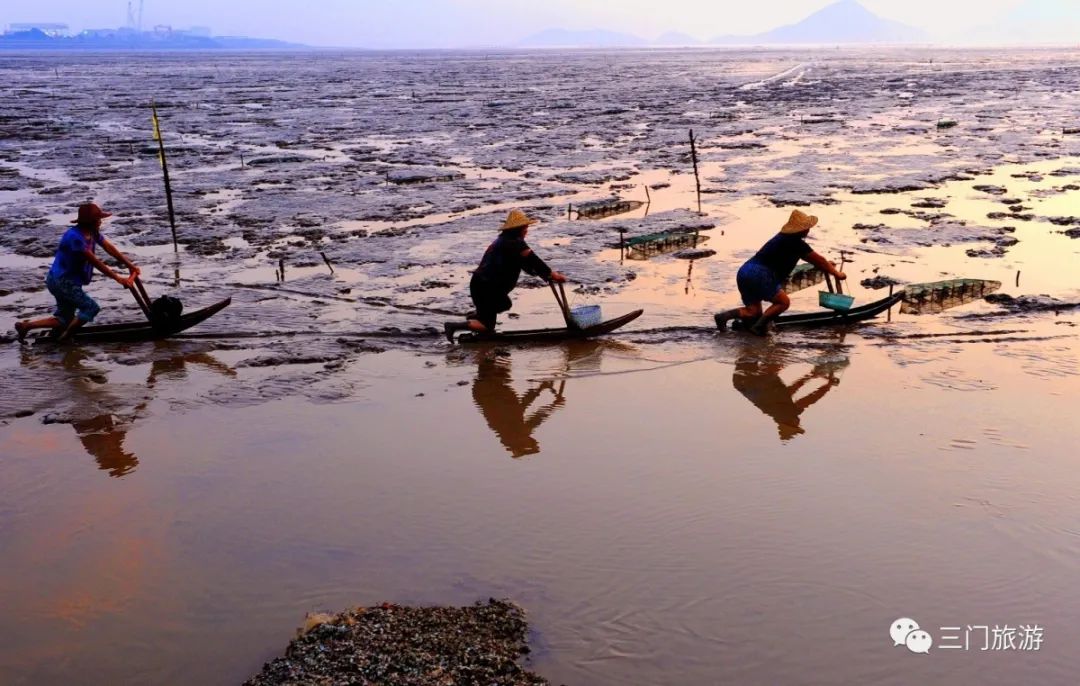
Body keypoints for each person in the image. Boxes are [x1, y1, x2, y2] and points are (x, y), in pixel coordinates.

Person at [14, 203, 140, 342]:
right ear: (91, 222)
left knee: (64, 319)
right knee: (91, 308)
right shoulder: (75, 238)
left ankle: (26, 326)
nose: (100, 222)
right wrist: (118, 278)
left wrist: (130, 265)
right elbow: (94, 261)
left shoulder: (92, 232)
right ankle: (65, 338)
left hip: (62, 279)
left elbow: (108, 247)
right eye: (98, 219)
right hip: (63, 281)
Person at [715, 209, 846, 335]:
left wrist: (828, 266)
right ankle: (759, 327)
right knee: (783, 302)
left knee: (753, 312)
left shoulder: (780, 238)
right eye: (807, 227)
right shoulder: (797, 244)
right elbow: (820, 261)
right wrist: (837, 273)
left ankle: (724, 317)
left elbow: (815, 261)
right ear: (802, 229)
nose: (808, 230)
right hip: (760, 274)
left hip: (745, 271)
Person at [444, 208, 566, 342]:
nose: (527, 230)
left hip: (481, 284)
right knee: (489, 325)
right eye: (525, 227)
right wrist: (551, 274)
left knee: (502, 304)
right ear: (518, 228)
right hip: (486, 286)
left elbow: (526, 264)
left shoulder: (505, 240)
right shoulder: (514, 243)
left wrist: (545, 276)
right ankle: (453, 326)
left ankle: (478, 317)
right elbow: (533, 260)